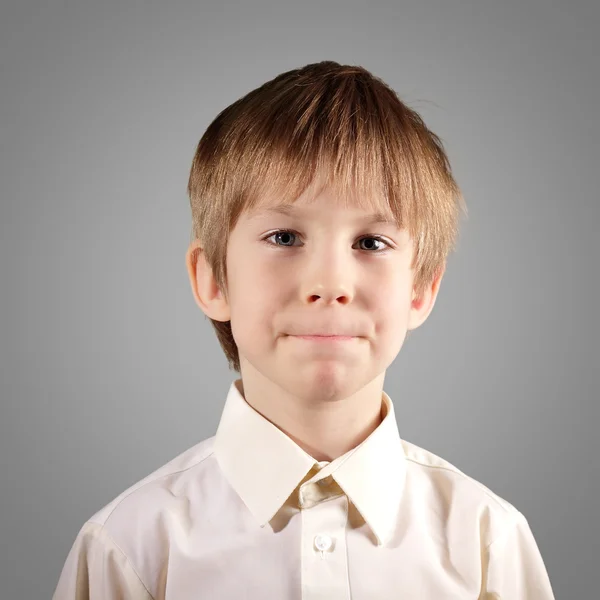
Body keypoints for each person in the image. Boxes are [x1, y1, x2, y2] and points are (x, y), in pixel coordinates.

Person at [53, 60, 555, 599]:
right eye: (285, 237)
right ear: (213, 278)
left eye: (371, 243)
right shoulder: (132, 547)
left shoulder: (486, 544)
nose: (330, 284)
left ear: (422, 288)